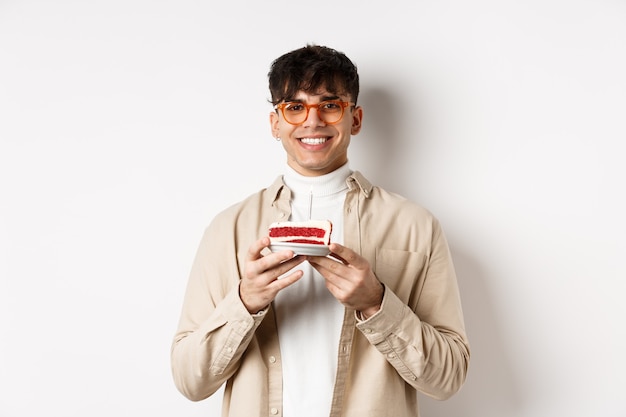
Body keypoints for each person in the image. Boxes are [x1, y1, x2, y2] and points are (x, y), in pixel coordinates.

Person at [170, 44, 470, 417]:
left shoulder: (415, 226)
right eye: (294, 107)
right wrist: (245, 302)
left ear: (355, 119)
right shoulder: (228, 229)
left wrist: (376, 303)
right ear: (275, 123)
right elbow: (189, 380)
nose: (312, 122)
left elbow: (449, 377)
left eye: (330, 105)